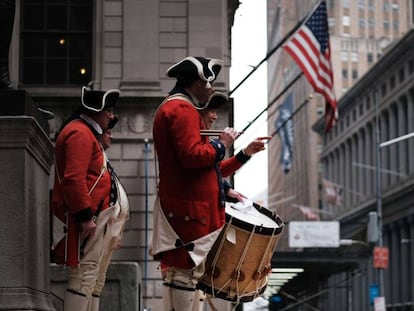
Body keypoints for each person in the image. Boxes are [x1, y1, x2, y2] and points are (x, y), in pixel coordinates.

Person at [151, 56, 240, 311]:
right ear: (200, 81)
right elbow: (191, 157)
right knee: (185, 275)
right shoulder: (181, 109)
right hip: (189, 210)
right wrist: (221, 145)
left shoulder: (178, 107)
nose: (212, 89)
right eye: (210, 82)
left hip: (188, 208)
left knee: (181, 276)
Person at [51, 86, 126, 311]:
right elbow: (74, 179)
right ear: (95, 110)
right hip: (90, 219)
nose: (112, 116)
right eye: (108, 110)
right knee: (84, 277)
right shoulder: (79, 133)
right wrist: (85, 216)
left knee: (94, 280)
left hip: (100, 220)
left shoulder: (86, 133)